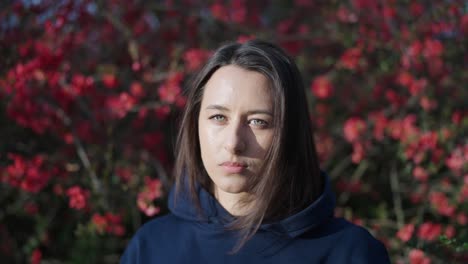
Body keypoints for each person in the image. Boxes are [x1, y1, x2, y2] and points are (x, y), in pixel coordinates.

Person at [121, 40, 391, 263]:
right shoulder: (152, 247)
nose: (234, 142)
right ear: (195, 125)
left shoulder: (350, 252)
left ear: (290, 133)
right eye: (218, 117)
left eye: (258, 122)